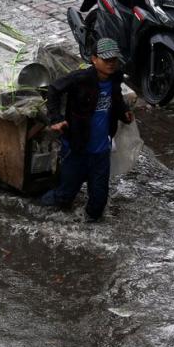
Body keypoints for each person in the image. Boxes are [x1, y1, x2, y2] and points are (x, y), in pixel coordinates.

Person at [39, 38, 134, 222]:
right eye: (106, 59)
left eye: (114, 59)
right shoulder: (80, 79)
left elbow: (116, 100)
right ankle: (37, 210)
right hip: (77, 149)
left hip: (101, 152)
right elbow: (53, 90)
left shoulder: (115, 79)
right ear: (94, 59)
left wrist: (124, 113)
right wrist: (56, 119)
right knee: (65, 196)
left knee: (99, 201)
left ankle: (90, 228)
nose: (111, 63)